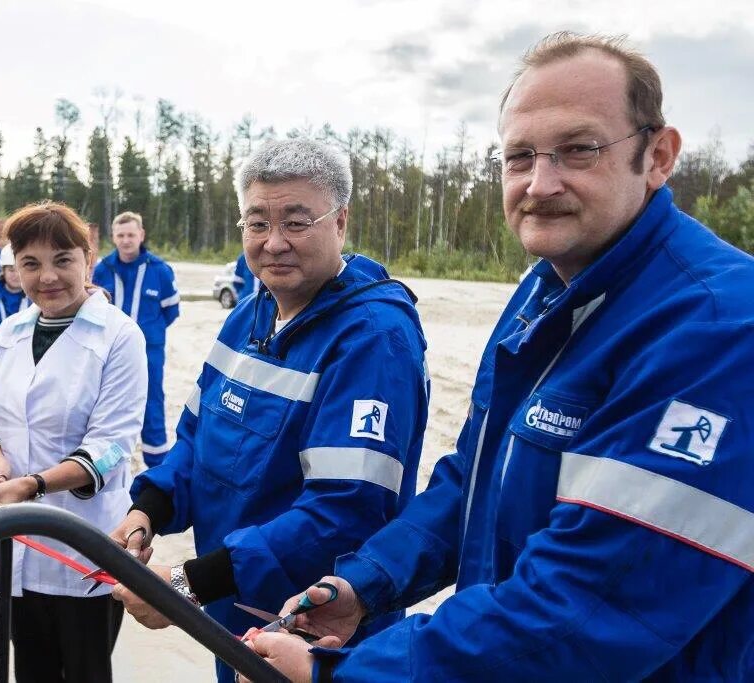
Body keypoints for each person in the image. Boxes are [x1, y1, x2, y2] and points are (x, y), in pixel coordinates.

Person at [245, 32, 754, 683]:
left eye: (578, 149)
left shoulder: (717, 327)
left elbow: (582, 611)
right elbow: (471, 479)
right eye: (519, 157)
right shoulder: (546, 293)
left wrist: (349, 670)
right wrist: (367, 584)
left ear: (658, 155)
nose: (541, 183)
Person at [109, 139, 431, 682]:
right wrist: (150, 509)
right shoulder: (249, 314)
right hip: (234, 619)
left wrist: (188, 586)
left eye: (296, 222)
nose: (274, 243)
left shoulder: (374, 340)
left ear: (341, 222)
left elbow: (344, 513)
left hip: (315, 638)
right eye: (257, 223)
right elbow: (194, 437)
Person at [0, 201, 146, 682]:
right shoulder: (11, 331)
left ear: (89, 256)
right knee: (33, 669)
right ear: (14, 267)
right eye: (30, 263)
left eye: (63, 259)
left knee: (84, 670)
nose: (47, 277)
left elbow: (111, 446)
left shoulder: (119, 336)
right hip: (17, 539)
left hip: (84, 541)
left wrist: (32, 487)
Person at [91, 212, 179, 467]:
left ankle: (157, 469)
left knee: (152, 407)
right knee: (107, 408)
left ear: (141, 235)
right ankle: (105, 466)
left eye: (131, 234)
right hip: (107, 353)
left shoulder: (160, 271)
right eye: (121, 235)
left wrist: (147, 335)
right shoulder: (102, 270)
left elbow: (170, 312)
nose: (126, 240)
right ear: (113, 237)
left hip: (149, 354)